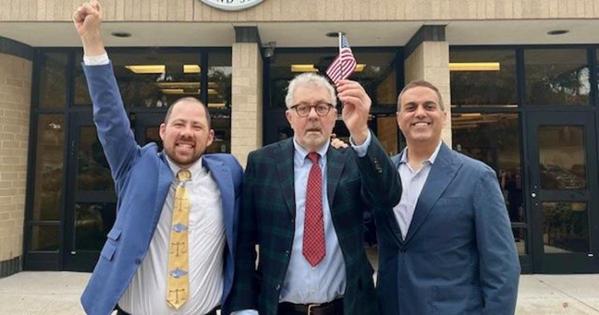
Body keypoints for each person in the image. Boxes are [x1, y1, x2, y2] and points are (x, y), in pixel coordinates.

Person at [73, 2, 243, 315]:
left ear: (209, 138)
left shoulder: (230, 174)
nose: (187, 132)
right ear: (162, 131)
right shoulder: (134, 165)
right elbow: (110, 118)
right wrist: (93, 42)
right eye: (179, 124)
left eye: (197, 126)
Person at [228, 73, 401, 315]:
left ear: (333, 115)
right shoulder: (262, 162)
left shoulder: (353, 159)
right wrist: (244, 307)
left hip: (346, 307)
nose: (312, 115)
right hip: (280, 308)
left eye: (321, 107)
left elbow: (388, 196)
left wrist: (361, 132)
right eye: (302, 108)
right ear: (289, 117)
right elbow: (244, 242)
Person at [374, 80, 520, 315]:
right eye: (411, 107)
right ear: (399, 118)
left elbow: (501, 265)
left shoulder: (477, 177)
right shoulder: (382, 175)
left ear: (444, 115)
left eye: (429, 106)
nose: (420, 113)